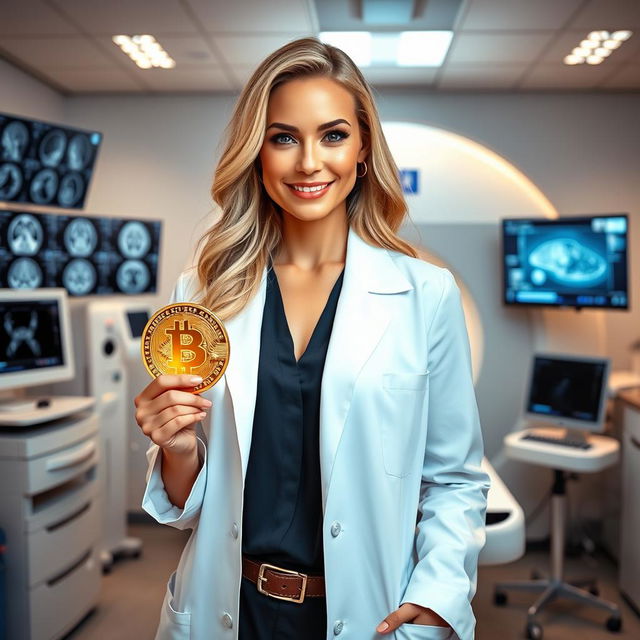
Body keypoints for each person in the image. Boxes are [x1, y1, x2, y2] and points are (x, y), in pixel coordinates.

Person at [134, 37, 491, 640]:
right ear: (257, 152)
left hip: (365, 615)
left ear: (362, 149)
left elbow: (454, 478)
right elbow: (188, 505)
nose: (307, 163)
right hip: (229, 607)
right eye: (283, 137)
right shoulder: (201, 291)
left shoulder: (424, 293)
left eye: (332, 135)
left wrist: (437, 600)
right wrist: (175, 448)